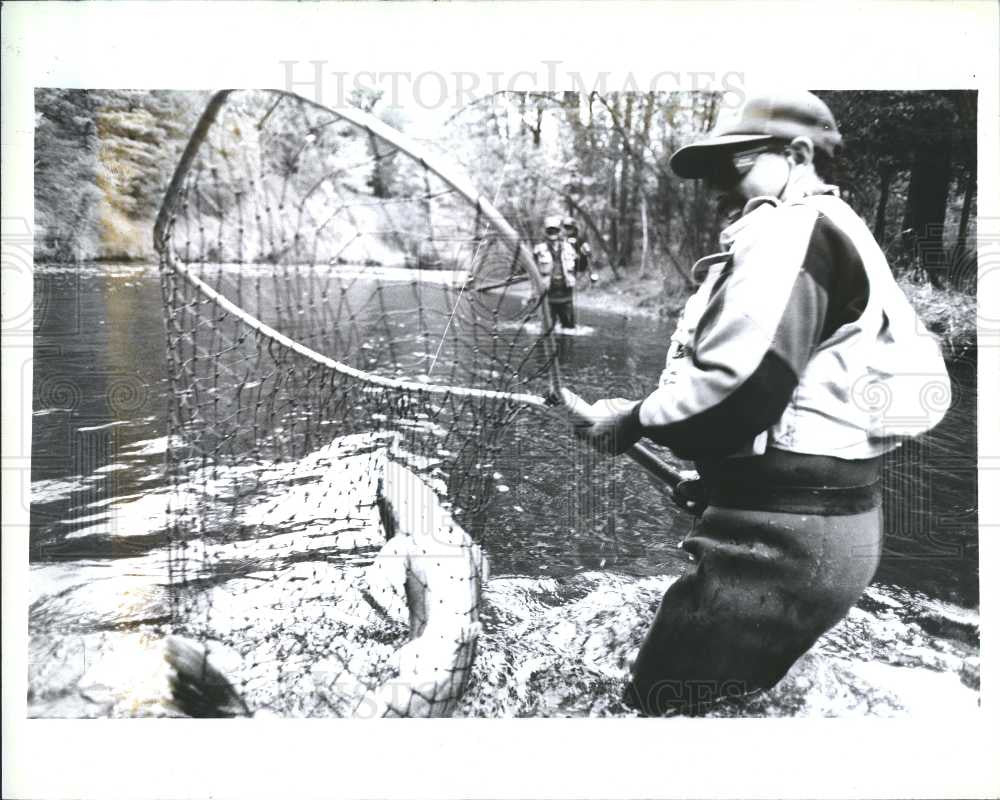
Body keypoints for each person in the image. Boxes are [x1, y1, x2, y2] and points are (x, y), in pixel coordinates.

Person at [562, 91, 951, 715]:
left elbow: (741, 393)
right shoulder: (830, 231)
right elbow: (788, 400)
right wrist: (722, 482)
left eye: (735, 166)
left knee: (650, 716)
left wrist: (628, 421)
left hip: (781, 547)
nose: (718, 185)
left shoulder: (790, 231)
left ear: (797, 154)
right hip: (814, 534)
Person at [533, 214, 580, 329]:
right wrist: (534, 292)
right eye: (550, 231)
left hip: (566, 294)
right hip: (548, 295)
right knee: (548, 329)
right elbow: (532, 271)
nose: (553, 233)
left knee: (569, 329)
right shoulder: (538, 249)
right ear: (546, 232)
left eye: (555, 230)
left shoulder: (569, 248)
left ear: (560, 231)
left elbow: (579, 266)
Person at [562, 216, 598, 285]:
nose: (568, 230)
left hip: (580, 263)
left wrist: (584, 251)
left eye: (570, 228)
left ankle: (592, 276)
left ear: (574, 228)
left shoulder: (580, 239)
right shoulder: (563, 240)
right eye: (566, 228)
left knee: (586, 256)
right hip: (567, 264)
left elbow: (588, 252)